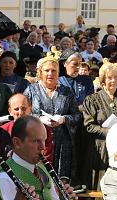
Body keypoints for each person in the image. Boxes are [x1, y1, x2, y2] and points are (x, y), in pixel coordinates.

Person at [24, 53, 81, 182]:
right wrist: (38, 118)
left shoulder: (66, 92)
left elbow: (77, 116)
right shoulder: (31, 90)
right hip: (38, 142)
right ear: (40, 72)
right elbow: (23, 115)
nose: (50, 74)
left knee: (60, 183)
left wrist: (64, 119)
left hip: (62, 145)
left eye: (54, 71)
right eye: (47, 70)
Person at [82, 63, 117, 188]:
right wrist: (111, 132)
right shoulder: (92, 99)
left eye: (116, 77)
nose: (113, 80)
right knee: (99, 184)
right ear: (103, 79)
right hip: (99, 148)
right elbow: (89, 126)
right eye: (109, 77)